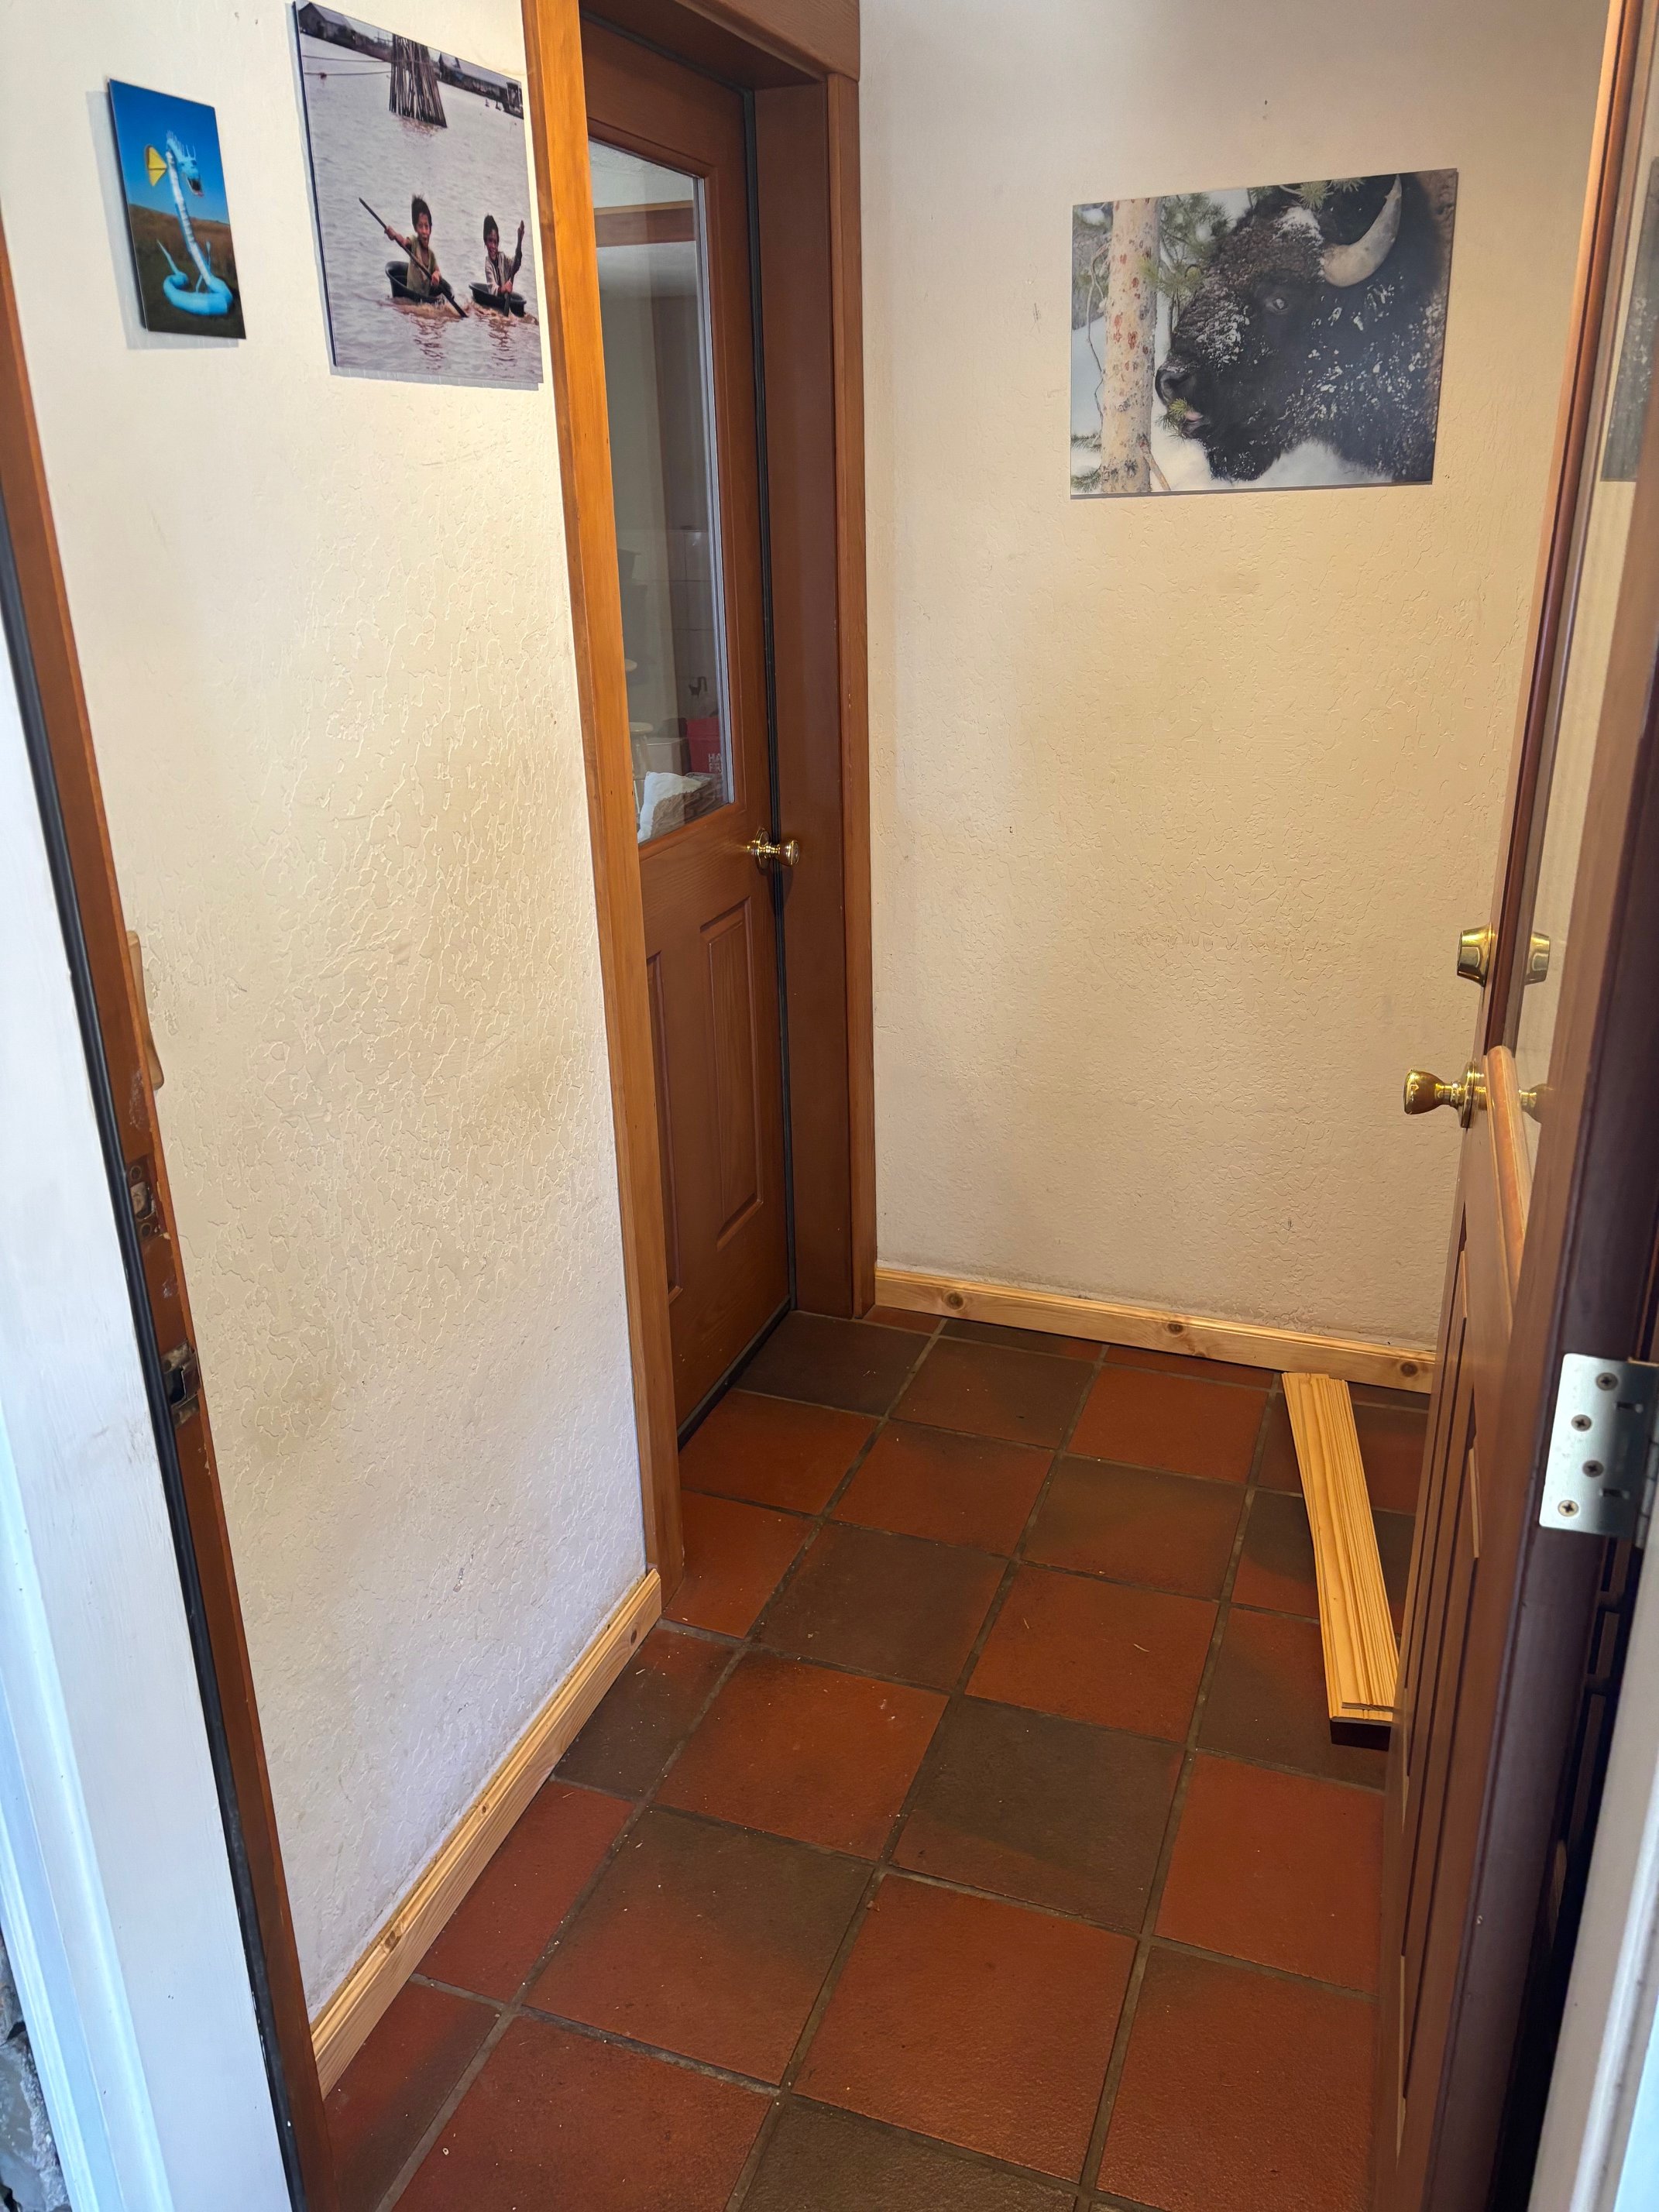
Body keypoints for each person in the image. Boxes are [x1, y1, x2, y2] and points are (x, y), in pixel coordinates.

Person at [383, 195, 442, 302]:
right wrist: (394, 235)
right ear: (415, 228)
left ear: (431, 228)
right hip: (409, 297)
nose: (424, 231)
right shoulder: (414, 243)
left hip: (423, 300)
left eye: (427, 226)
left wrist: (436, 276)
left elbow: (437, 270)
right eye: (420, 226)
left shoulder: (431, 256)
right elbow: (403, 242)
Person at [483, 214, 525, 301]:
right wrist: (504, 288)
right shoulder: (488, 266)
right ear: (485, 241)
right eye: (490, 241)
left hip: (505, 301)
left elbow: (515, 265)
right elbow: (492, 289)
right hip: (495, 301)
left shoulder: (502, 258)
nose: (493, 246)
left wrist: (519, 241)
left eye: (495, 242)